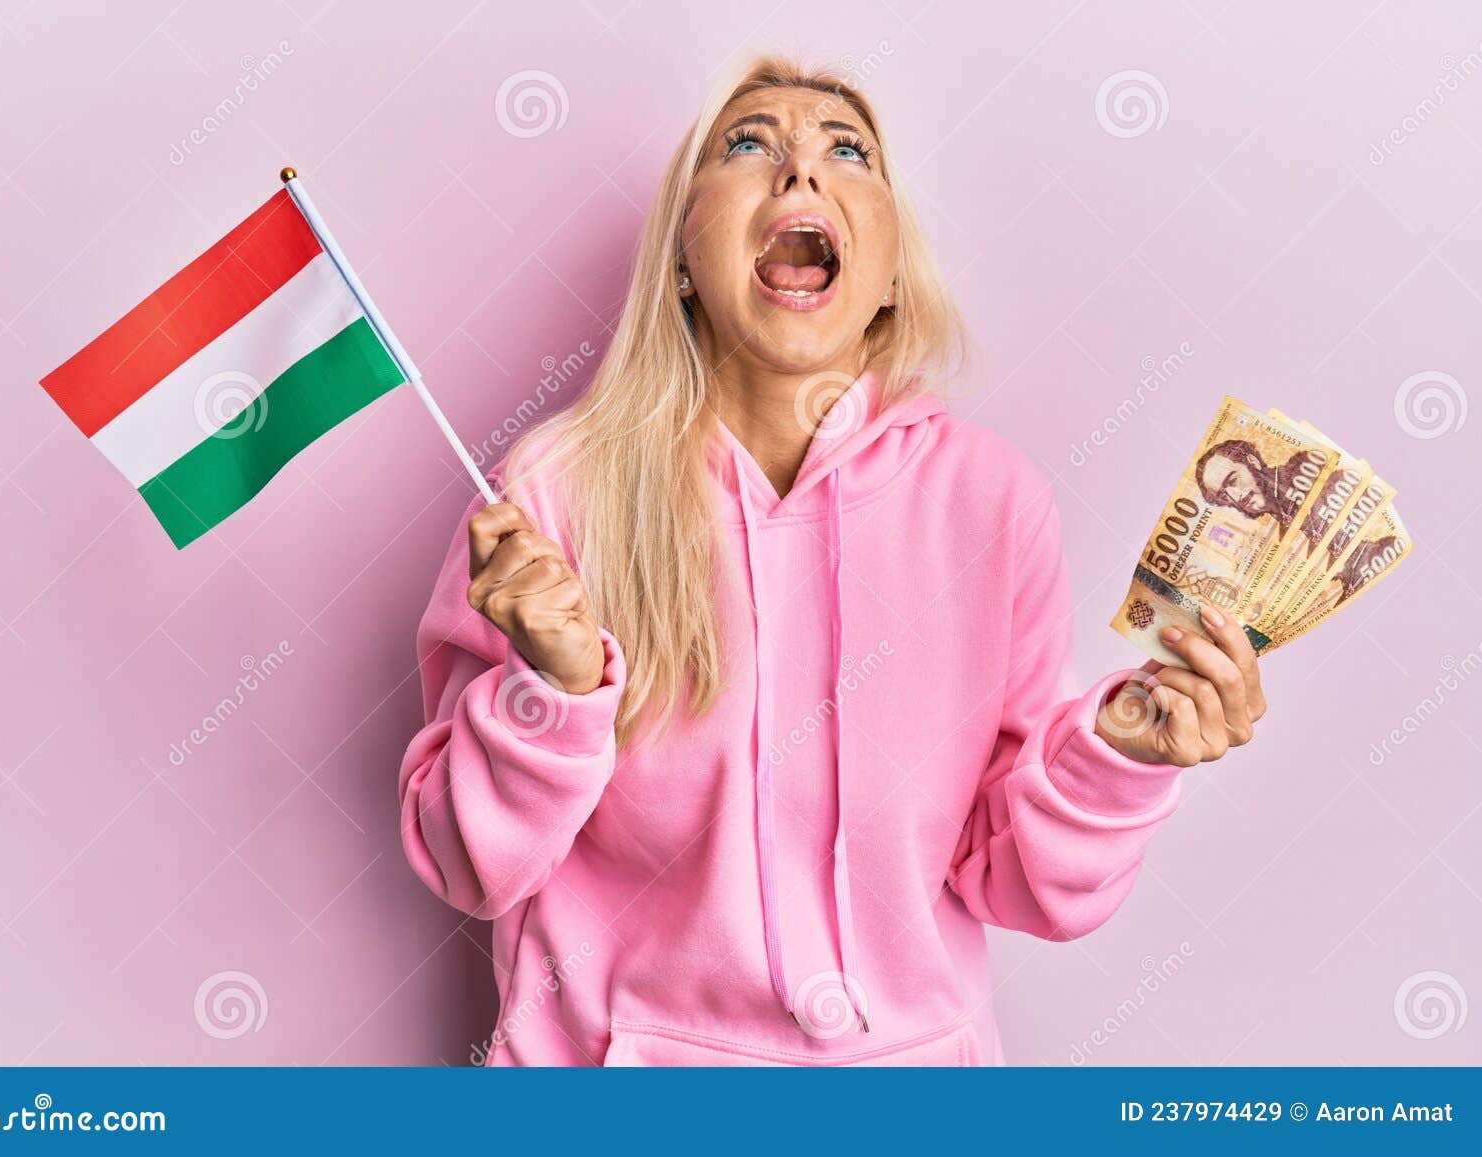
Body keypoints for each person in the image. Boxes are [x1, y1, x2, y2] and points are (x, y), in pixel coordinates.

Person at [398, 54, 1267, 1066]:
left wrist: (1123, 750)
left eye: (845, 150)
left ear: (892, 272)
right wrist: (557, 684)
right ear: (682, 255)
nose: (800, 171)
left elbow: (1019, 880)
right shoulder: (552, 490)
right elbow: (467, 864)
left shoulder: (990, 500)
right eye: (749, 144)